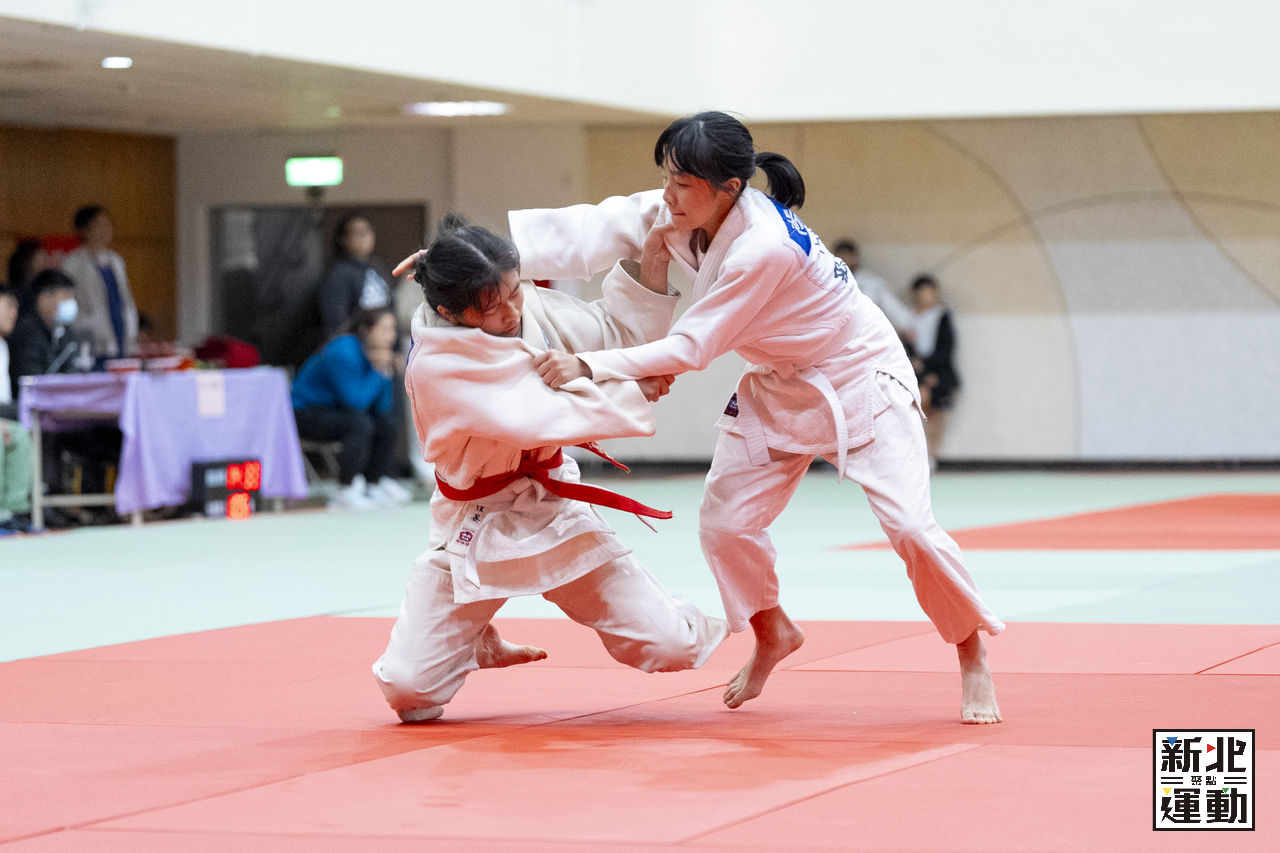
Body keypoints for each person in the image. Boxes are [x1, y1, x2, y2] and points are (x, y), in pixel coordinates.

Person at [508, 111, 1003, 724]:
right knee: (724, 525)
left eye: (682, 183)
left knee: (910, 527)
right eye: (666, 178)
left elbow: (693, 348)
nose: (668, 194)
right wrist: (473, 261)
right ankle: (774, 631)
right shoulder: (678, 211)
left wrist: (588, 363)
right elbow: (584, 230)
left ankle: (970, 650)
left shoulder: (763, 247)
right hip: (777, 382)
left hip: (856, 372)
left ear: (730, 188)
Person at [372, 219, 727, 723]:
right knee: (410, 694)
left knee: (673, 646)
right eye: (491, 307)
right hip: (475, 518)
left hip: (552, 506)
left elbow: (612, 332)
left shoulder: (528, 309)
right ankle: (473, 641)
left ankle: (681, 617)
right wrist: (630, 387)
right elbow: (533, 415)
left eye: (514, 292)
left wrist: (651, 263)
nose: (512, 311)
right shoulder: (436, 364)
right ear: (448, 311)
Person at [7, 269, 121, 517]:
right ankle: (45, 503)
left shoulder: (68, 332)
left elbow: (75, 372)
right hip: (30, 410)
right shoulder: (26, 332)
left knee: (105, 431)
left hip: (68, 411)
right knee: (46, 429)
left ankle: (97, 509)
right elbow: (29, 380)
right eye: (66, 296)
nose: (71, 303)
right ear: (45, 298)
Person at [291, 306, 412, 510]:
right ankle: (345, 490)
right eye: (384, 329)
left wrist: (385, 371)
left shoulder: (377, 355)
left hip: (336, 410)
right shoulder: (342, 351)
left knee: (387, 424)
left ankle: (373, 484)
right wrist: (377, 370)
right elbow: (355, 402)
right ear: (366, 329)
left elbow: (382, 407)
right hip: (304, 413)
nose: (390, 337)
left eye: (392, 330)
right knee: (359, 424)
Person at [61, 205, 138, 360]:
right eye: (99, 225)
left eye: (108, 225)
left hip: (120, 329)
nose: (105, 230)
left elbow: (126, 299)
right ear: (84, 230)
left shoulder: (116, 261)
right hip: (90, 335)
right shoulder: (72, 263)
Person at [906, 274, 960, 469]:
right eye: (921, 292)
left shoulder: (942, 315)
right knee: (917, 409)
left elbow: (947, 346)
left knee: (936, 413)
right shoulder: (909, 316)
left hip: (938, 370)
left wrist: (931, 370)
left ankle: (932, 454)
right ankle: (916, 453)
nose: (925, 296)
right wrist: (916, 364)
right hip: (916, 370)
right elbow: (905, 344)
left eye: (929, 292)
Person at [318, 214, 395, 339]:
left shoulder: (378, 267)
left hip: (385, 340)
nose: (363, 236)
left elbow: (391, 306)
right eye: (357, 232)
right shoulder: (338, 273)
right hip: (355, 343)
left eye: (367, 231)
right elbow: (336, 322)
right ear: (343, 239)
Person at [0, 287, 34, 532]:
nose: (14, 313)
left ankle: (13, 511)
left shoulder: (3, 346)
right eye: (8, 306)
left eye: (16, 307)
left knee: (20, 434)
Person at [831, 239, 913, 336]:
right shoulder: (829, 284)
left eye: (847, 257)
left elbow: (893, 309)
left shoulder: (873, 283)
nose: (844, 261)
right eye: (840, 258)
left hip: (866, 334)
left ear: (855, 258)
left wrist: (907, 327)